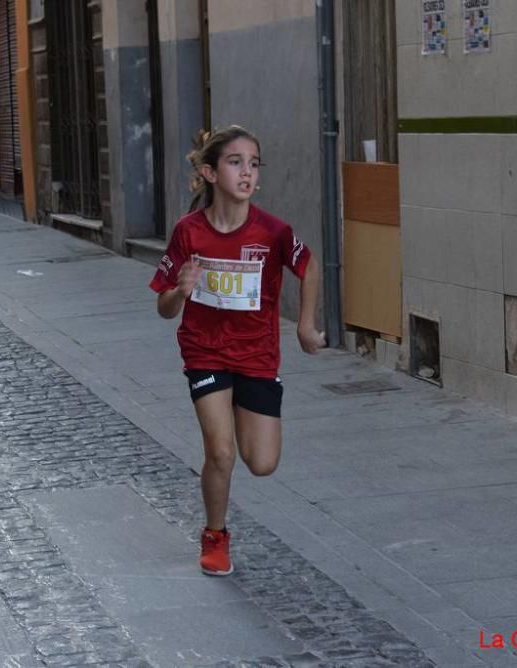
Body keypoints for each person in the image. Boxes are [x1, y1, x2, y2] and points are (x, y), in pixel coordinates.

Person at [149, 126, 324, 576]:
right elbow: (164, 309)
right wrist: (181, 291)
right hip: (205, 353)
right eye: (235, 162)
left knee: (262, 463)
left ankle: (220, 518)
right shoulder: (188, 232)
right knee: (221, 452)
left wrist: (305, 325)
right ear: (209, 172)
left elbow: (310, 266)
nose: (247, 172)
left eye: (253, 163)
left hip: (258, 356)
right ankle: (215, 535)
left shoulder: (272, 231)